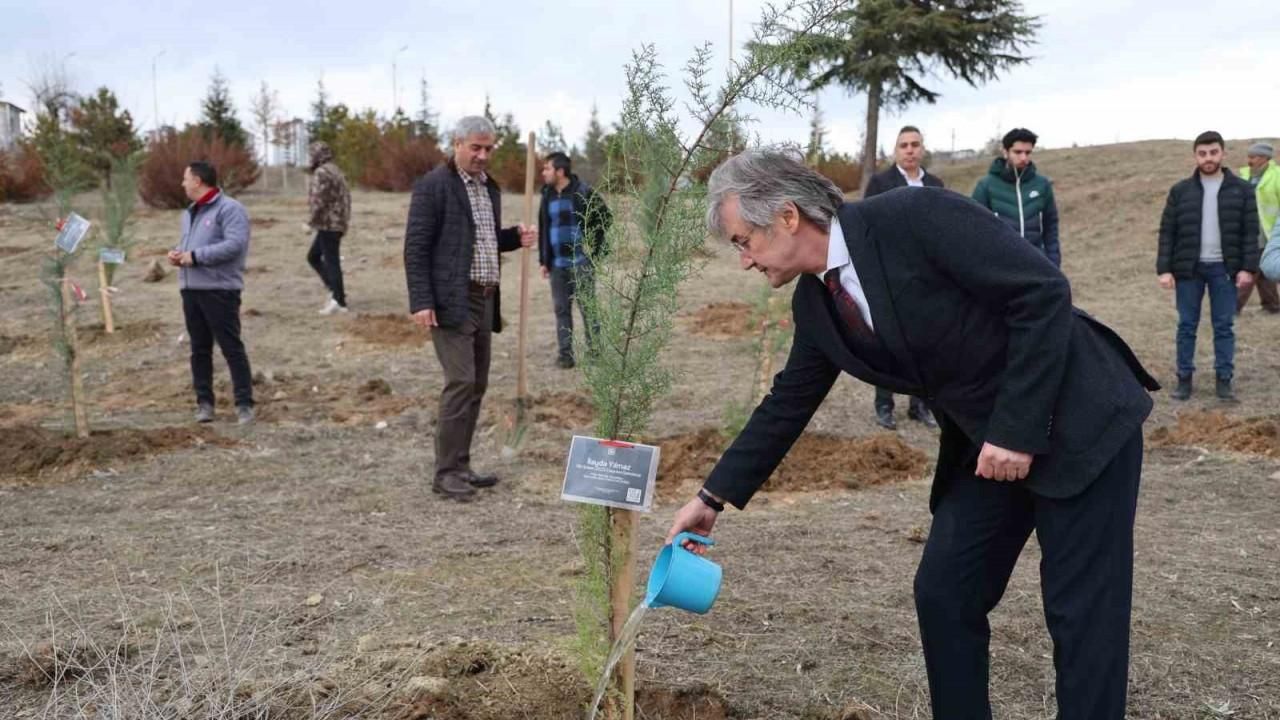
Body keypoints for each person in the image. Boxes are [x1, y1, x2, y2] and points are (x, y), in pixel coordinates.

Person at [664, 150, 1159, 720]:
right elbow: (787, 404)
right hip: (986, 445)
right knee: (946, 591)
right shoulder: (817, 304)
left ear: (787, 216)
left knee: (1081, 613)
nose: (744, 261)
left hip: (1079, 418)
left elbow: (1042, 292)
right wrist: (711, 498)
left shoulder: (915, 217)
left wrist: (1017, 431)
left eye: (743, 241)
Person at [403, 116, 537, 501]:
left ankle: (461, 466)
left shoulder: (487, 187)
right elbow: (416, 247)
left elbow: (482, 239)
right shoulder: (434, 186)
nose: (482, 155)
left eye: (488, 148)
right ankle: (445, 474)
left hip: (485, 298)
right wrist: (422, 300)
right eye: (475, 147)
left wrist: (514, 237)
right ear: (457, 144)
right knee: (461, 381)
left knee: (476, 384)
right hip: (451, 299)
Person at [1157, 131, 1259, 401]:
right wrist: (1164, 269)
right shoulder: (1180, 191)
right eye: (1202, 154)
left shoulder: (1242, 189)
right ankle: (1184, 379)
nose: (1208, 158)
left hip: (1225, 269)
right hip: (1189, 270)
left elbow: (1250, 232)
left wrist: (1248, 268)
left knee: (1223, 326)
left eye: (1213, 152)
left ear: (1223, 153)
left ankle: (1224, 380)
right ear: (1195, 156)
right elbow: (1168, 232)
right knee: (1186, 326)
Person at [861, 125, 942, 430]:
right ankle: (884, 404)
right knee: (889, 342)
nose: (910, 150)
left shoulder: (934, 184)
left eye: (915, 144)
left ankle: (920, 405)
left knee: (925, 343)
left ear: (923, 149)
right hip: (890, 275)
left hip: (927, 278)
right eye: (904, 145)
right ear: (896, 150)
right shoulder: (880, 183)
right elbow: (866, 226)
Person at [168, 161, 255, 425]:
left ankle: (244, 404)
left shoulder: (230, 209)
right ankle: (204, 403)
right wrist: (178, 254)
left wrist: (195, 256)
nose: (182, 183)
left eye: (185, 178)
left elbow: (235, 245)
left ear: (197, 181)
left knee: (231, 347)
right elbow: (191, 245)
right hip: (191, 289)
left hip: (219, 290)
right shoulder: (189, 213)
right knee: (199, 349)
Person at [537, 151, 612, 368]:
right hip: (557, 266)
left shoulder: (583, 192)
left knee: (588, 309)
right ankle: (565, 356)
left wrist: (594, 251)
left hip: (581, 263)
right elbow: (544, 228)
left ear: (560, 171)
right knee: (561, 310)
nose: (543, 173)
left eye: (547, 168)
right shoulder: (547, 195)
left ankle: (595, 353)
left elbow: (605, 218)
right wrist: (544, 261)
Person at [972, 128, 1061, 266]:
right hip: (1001, 267)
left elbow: (1051, 226)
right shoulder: (986, 186)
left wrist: (1053, 263)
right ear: (1005, 152)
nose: (1023, 158)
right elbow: (975, 229)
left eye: (1028, 152)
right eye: (1018, 152)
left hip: (1037, 265)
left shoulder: (1042, 185)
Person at [306, 141, 353, 315]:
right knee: (313, 256)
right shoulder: (335, 170)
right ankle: (336, 291)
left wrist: (310, 222)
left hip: (328, 224)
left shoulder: (322, 172)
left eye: (311, 154)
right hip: (338, 222)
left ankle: (339, 301)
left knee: (331, 261)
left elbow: (319, 201)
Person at [1235, 142, 1280, 314]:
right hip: (1248, 231)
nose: (1249, 160)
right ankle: (1272, 306)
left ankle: (1233, 307)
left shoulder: (1277, 176)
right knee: (1262, 269)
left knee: (1250, 269)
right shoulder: (1244, 175)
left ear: (1264, 158)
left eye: (1253, 157)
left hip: (1269, 232)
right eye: (1249, 156)